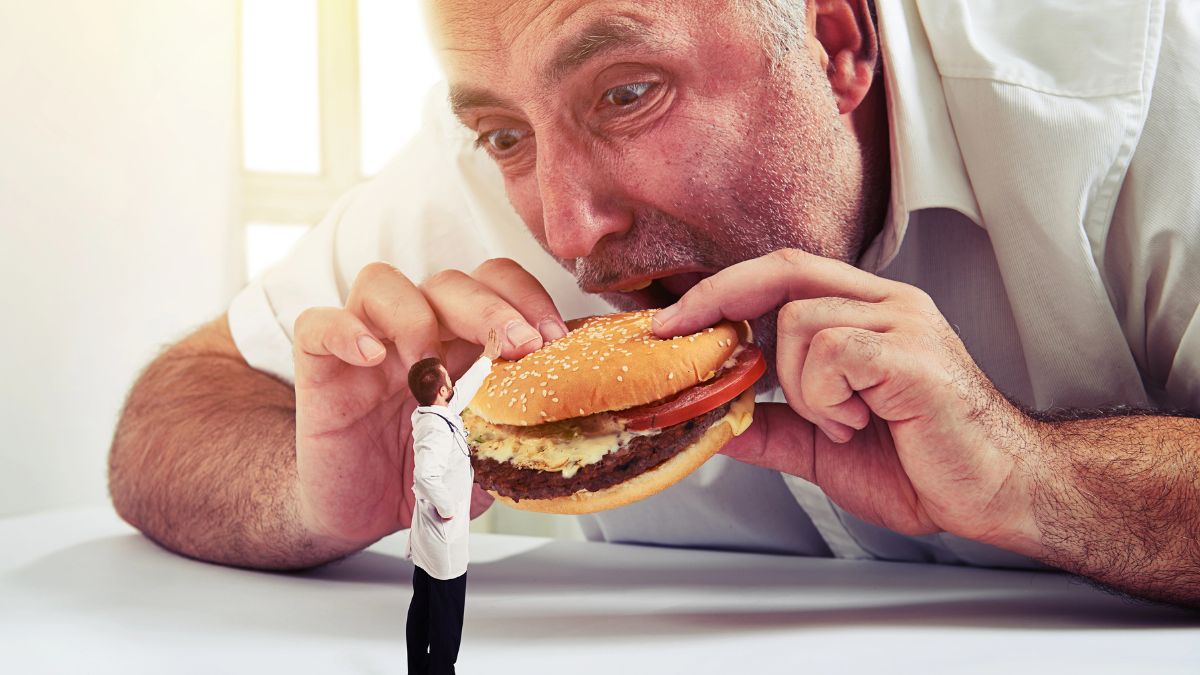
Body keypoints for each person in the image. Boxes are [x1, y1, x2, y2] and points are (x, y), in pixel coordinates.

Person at [107, 0, 1200, 607]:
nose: (568, 228)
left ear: (834, 42)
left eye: (629, 93)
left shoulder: (1152, 100)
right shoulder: (486, 174)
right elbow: (171, 415)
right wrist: (317, 496)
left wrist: (1037, 478)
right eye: (501, 133)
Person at [405, 327, 501, 675]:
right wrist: (448, 508)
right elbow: (425, 476)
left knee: (424, 606)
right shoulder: (435, 430)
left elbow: (461, 397)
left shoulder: (438, 414)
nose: (454, 384)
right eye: (450, 380)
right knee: (445, 618)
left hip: (430, 539)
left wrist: (486, 359)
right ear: (442, 390)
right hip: (442, 535)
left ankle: (418, 670)